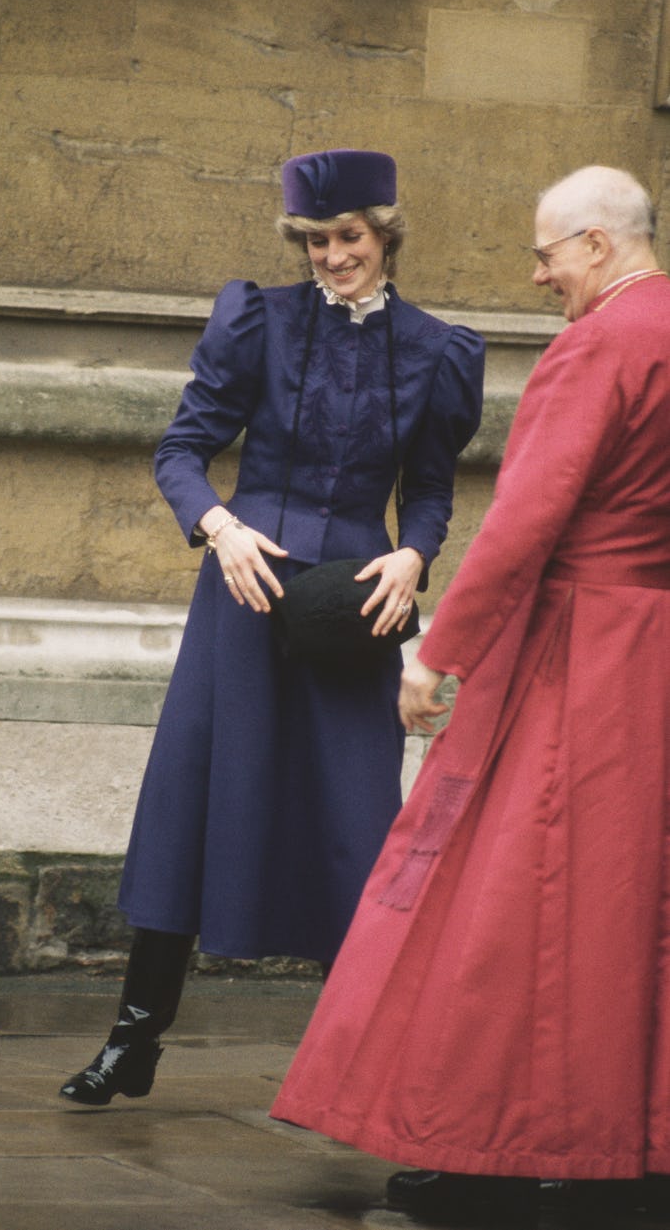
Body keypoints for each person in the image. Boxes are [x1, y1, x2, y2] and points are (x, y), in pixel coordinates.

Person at [270, 165, 670, 1225]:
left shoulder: (598, 346)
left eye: (546, 254)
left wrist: (438, 650)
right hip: (657, 655)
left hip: (574, 654)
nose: (538, 277)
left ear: (596, 242)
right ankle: (642, 1141)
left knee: (504, 896)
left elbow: (525, 521)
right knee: (636, 909)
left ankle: (492, 1140)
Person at [60, 149, 484, 1108]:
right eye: (317, 240)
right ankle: (134, 1041)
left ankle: (370, 1066)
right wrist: (218, 525)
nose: (333, 256)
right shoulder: (258, 322)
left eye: (350, 237)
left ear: (384, 234)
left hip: (353, 606)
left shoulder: (436, 350)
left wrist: (417, 555)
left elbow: (427, 491)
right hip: (243, 599)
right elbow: (181, 450)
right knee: (192, 807)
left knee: (356, 823)